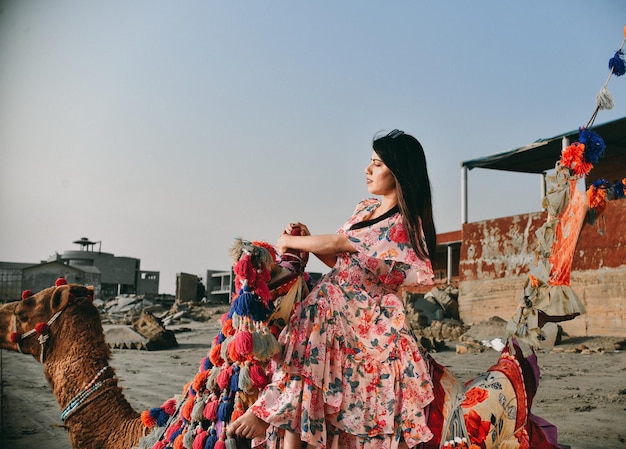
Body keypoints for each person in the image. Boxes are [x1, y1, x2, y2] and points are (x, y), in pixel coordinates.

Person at [229, 129, 438, 449]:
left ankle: (270, 412)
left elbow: (341, 243)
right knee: (313, 315)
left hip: (367, 311)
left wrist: (289, 241)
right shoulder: (366, 209)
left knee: (319, 312)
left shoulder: (399, 226)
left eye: (377, 165)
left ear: (399, 173)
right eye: (370, 163)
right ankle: (286, 429)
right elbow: (343, 259)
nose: (367, 170)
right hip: (340, 297)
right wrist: (310, 240)